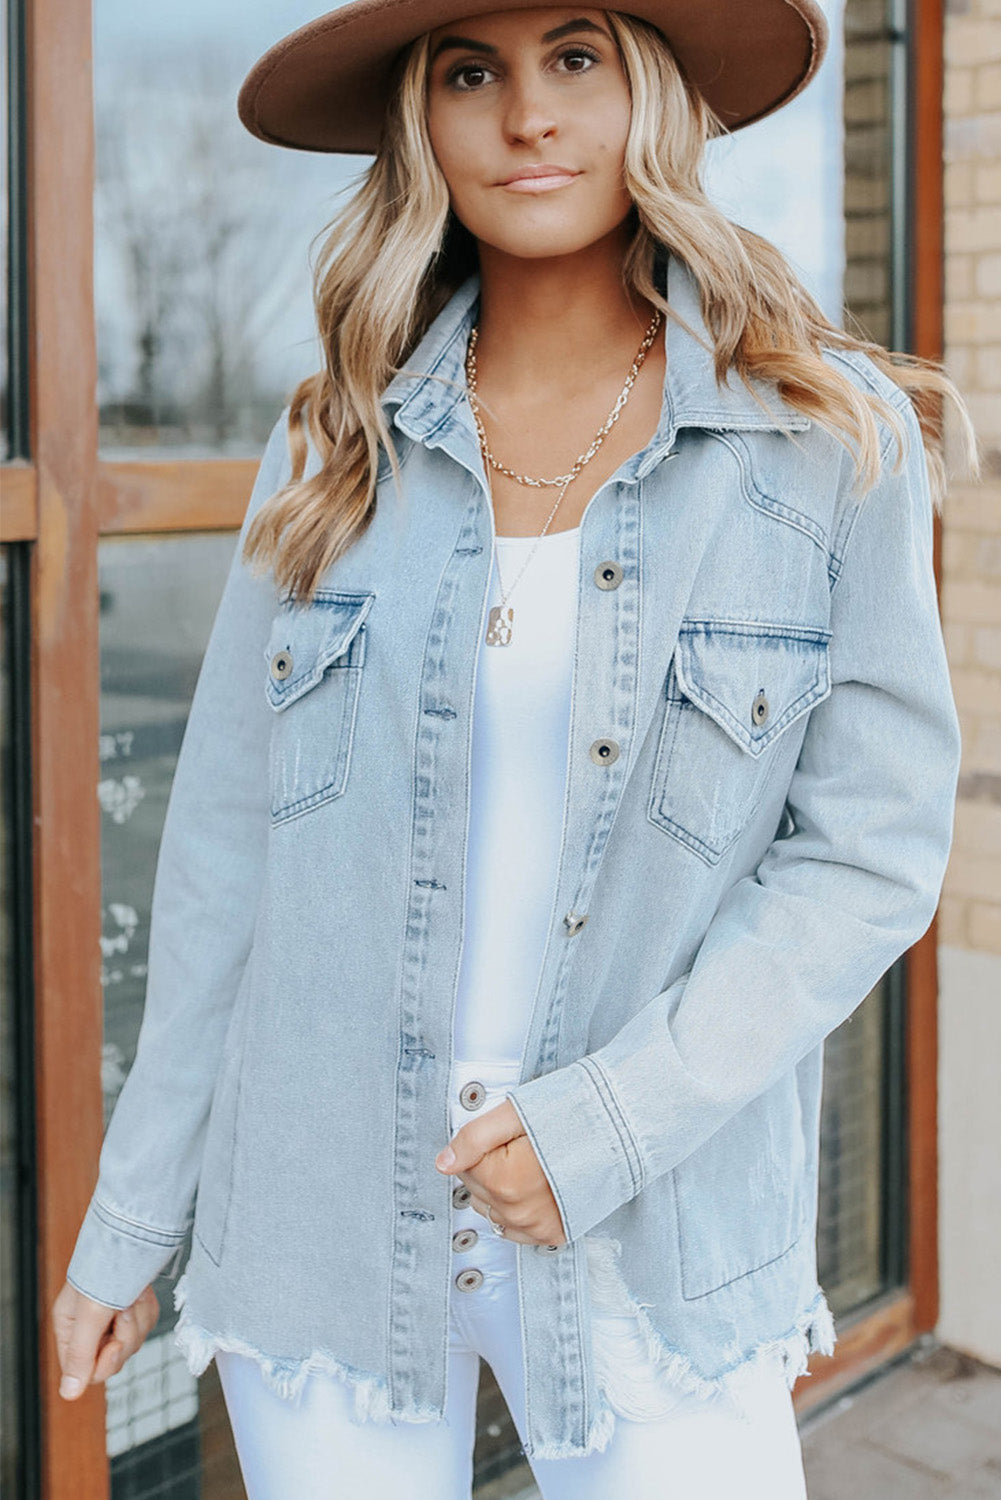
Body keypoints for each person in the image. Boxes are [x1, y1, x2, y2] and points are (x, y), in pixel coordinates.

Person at [52, 2, 977, 1496]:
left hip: (650, 1223)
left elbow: (867, 856)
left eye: (575, 59)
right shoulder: (330, 447)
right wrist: (133, 1218)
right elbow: (227, 857)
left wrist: (609, 1122)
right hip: (322, 1206)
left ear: (650, 97)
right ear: (421, 123)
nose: (525, 117)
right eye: (470, 73)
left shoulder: (822, 442)